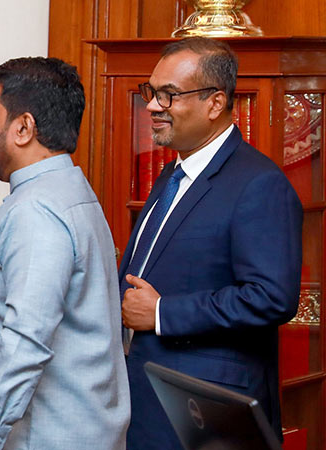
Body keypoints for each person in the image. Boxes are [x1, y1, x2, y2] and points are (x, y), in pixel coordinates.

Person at [120, 37, 302, 449]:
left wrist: (164, 312)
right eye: (152, 93)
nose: (152, 106)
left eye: (168, 95)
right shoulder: (171, 176)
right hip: (145, 399)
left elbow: (271, 297)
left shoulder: (259, 184)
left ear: (215, 103)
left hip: (206, 414)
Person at [0, 57, 130, 450]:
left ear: (23, 128)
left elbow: (27, 341)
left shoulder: (35, 210)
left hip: (45, 437)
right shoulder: (73, 192)